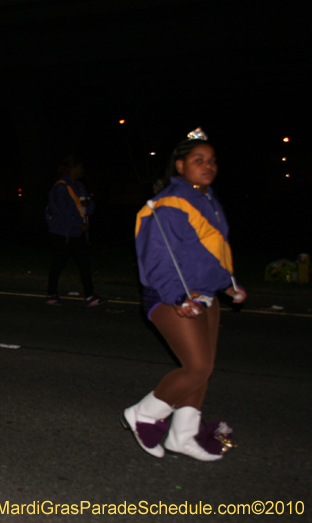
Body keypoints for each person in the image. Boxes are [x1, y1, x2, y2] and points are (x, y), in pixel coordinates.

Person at [122, 128, 245, 461]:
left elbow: (211, 250)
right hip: (171, 296)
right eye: (198, 160)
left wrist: (227, 283)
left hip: (206, 294)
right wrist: (177, 297)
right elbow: (156, 257)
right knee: (197, 367)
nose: (208, 166)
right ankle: (144, 414)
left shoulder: (206, 200)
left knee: (202, 370)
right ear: (180, 166)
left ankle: (182, 435)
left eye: (212, 160)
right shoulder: (169, 204)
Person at [44, 154, 105, 306]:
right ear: (73, 169)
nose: (83, 170)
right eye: (80, 167)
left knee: (83, 264)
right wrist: (79, 224)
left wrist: (88, 207)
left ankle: (90, 296)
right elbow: (62, 211)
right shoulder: (61, 187)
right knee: (59, 263)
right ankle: (51, 294)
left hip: (76, 232)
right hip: (62, 232)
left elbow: (88, 205)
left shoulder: (79, 186)